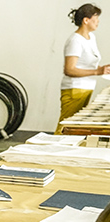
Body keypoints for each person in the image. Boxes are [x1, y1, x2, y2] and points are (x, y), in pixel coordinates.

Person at [56, 3, 110, 133]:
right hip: (74, 89)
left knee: (75, 126)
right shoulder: (75, 41)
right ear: (86, 20)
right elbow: (69, 69)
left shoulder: (91, 38)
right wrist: (97, 71)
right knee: (66, 126)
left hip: (86, 88)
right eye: (96, 18)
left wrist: (102, 69)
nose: (98, 21)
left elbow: (87, 63)